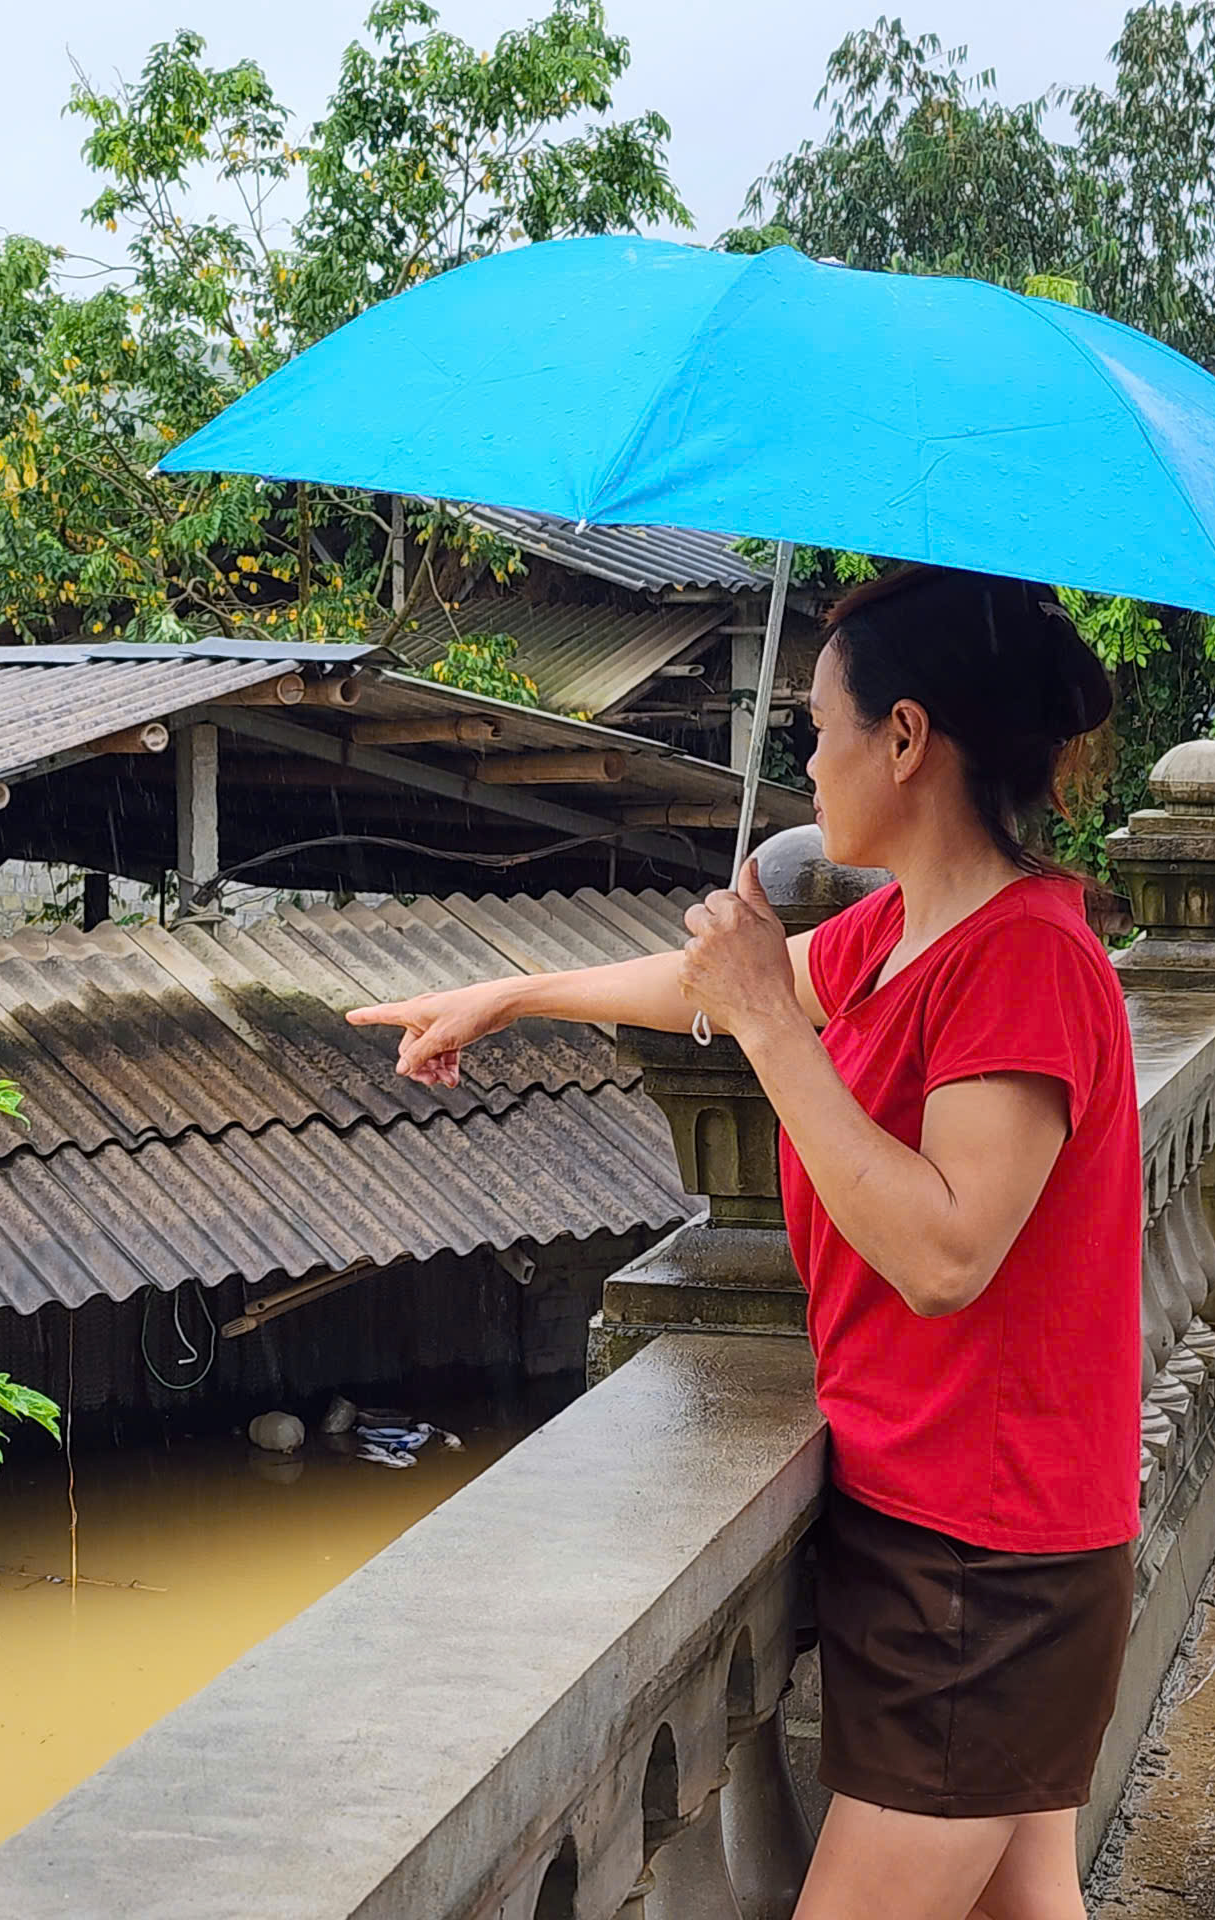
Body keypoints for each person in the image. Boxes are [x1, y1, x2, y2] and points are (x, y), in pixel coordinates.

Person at [349, 564, 1137, 1920]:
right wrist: (515, 992)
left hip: (986, 1559)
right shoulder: (898, 930)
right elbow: (693, 988)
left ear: (905, 738)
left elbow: (948, 1255)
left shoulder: (1024, 961)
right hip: (947, 1525)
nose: (808, 764)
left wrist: (773, 1026)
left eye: (817, 731)